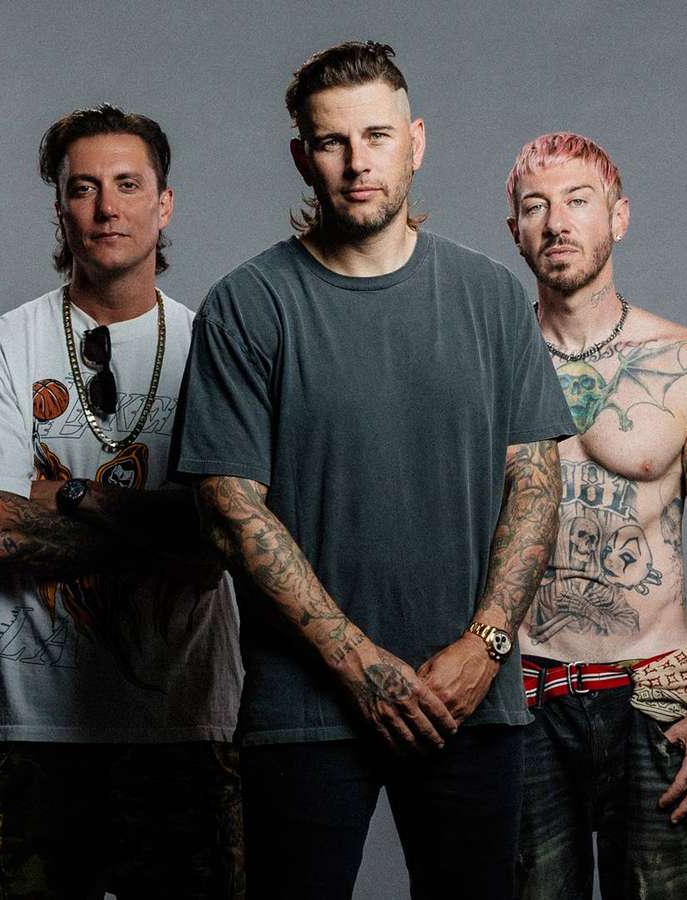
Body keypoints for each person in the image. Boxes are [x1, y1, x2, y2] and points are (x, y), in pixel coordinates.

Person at [171, 41, 573, 900]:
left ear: (415, 142)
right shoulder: (249, 304)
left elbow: (536, 485)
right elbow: (232, 510)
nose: (358, 163)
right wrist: (357, 664)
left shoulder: (492, 296)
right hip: (306, 710)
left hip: (471, 699)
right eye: (332, 141)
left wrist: (486, 645)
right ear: (302, 157)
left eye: (378, 136)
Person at [0, 105, 243, 898]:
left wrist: (68, 493)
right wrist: (172, 528)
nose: (106, 207)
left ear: (164, 204)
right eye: (83, 188)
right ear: (60, 208)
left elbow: (222, 542)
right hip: (33, 723)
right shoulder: (2, 349)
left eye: (127, 185)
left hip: (183, 719)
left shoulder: (216, 350)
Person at [505, 132, 687, 900]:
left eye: (578, 201)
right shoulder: (490, 364)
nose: (557, 223)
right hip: (523, 695)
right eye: (536, 207)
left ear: (619, 216)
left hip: (657, 694)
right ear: (515, 230)